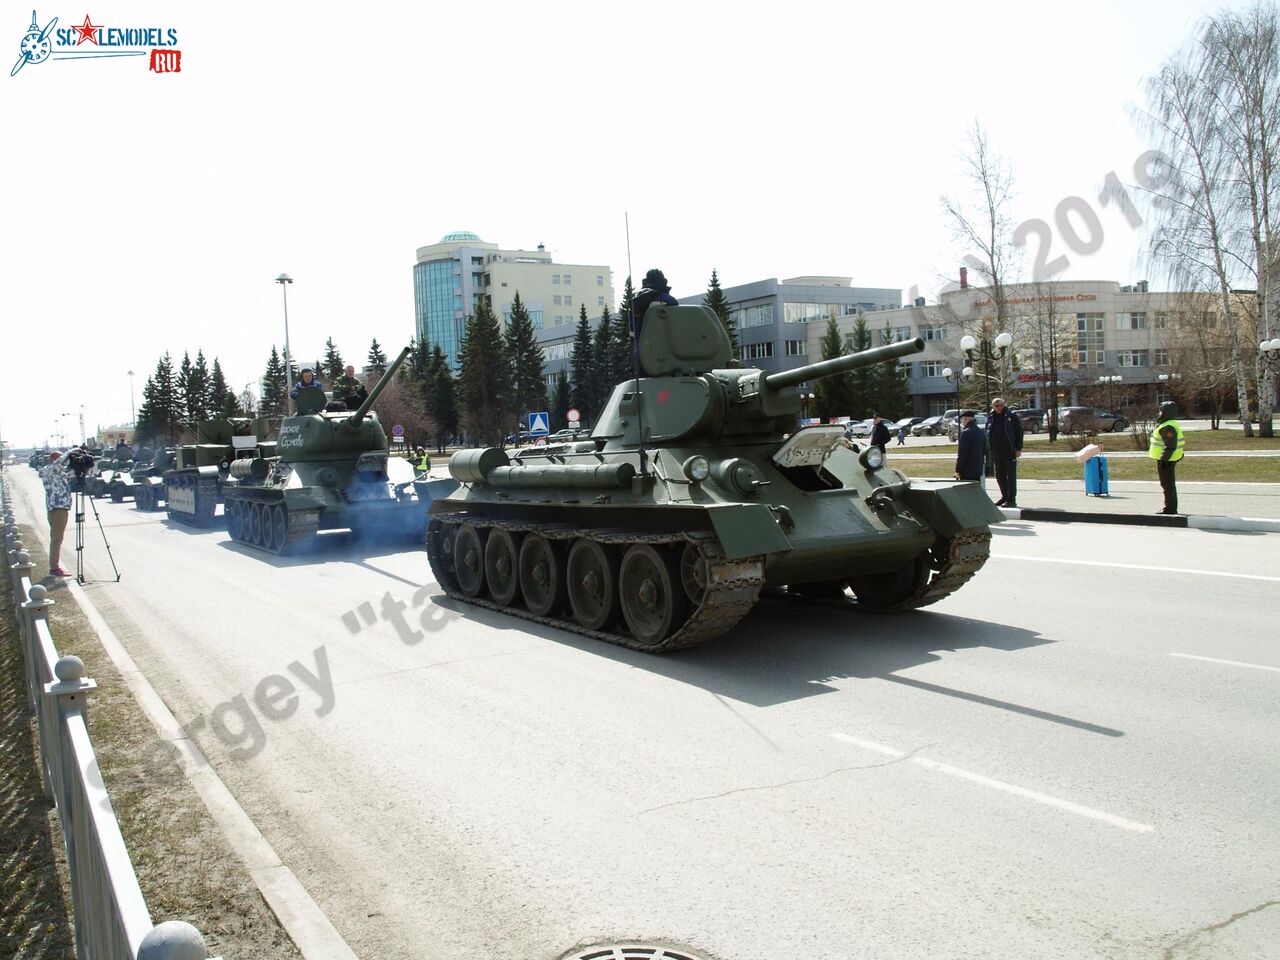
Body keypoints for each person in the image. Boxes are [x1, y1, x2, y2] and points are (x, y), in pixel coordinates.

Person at [37, 449, 72, 577]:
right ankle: (54, 567)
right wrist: (73, 451)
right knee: (57, 539)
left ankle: (55, 566)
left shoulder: (55, 472)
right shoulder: (50, 469)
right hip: (57, 508)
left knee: (57, 538)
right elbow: (59, 463)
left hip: (59, 508)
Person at [630, 268, 679, 356]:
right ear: (664, 282)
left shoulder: (637, 303)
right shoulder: (668, 300)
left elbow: (632, 333)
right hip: (669, 350)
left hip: (644, 353)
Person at [985, 397, 1024, 508]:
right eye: (996, 406)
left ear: (1004, 405)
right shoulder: (991, 417)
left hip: (1009, 450)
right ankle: (1004, 497)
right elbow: (988, 432)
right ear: (992, 406)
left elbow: (1019, 432)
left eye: (1001, 405)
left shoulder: (1010, 416)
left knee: (1010, 475)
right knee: (999, 475)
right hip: (996, 451)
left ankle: (1011, 500)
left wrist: (1018, 448)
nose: (999, 408)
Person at [1149, 400, 1185, 515]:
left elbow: (1170, 445)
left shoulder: (1168, 427)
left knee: (1167, 485)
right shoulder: (1168, 424)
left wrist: (1164, 460)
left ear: (1166, 412)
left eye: (1161, 411)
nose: (1159, 413)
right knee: (1168, 484)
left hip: (1166, 460)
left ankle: (1170, 508)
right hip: (1168, 459)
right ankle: (1170, 507)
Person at [954, 411, 984, 482]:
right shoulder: (980, 432)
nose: (961, 422)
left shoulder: (966, 432)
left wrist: (958, 470)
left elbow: (962, 454)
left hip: (967, 470)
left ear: (966, 419)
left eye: (961, 420)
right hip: (978, 469)